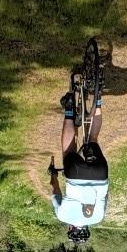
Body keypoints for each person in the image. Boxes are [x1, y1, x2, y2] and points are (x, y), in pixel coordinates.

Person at [50, 83, 109, 243]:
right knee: (68, 152)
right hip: (75, 174)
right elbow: (55, 190)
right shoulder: (62, 216)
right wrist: (53, 175)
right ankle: (69, 108)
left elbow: (106, 196)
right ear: (71, 229)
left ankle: (98, 101)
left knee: (93, 139)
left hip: (100, 175)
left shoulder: (98, 218)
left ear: (86, 228)